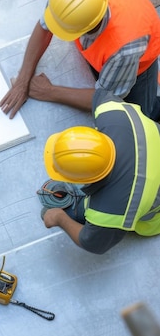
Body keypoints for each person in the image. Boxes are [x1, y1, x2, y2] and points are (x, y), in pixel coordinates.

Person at [0, 0, 160, 120]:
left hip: (137, 66)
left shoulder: (125, 47)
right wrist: (23, 79)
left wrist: (49, 91)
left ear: (89, 28)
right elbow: (44, 26)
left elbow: (107, 99)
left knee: (139, 114)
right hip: (108, 54)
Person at [37, 89, 160, 254]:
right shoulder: (115, 116)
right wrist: (51, 91)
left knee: (59, 212)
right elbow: (97, 97)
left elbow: (92, 243)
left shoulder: (110, 209)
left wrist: (60, 218)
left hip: (154, 217)